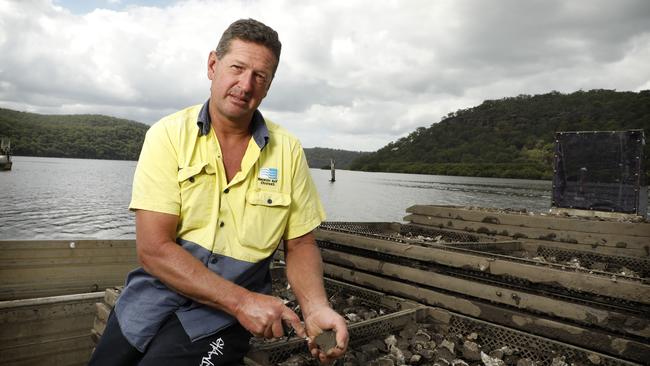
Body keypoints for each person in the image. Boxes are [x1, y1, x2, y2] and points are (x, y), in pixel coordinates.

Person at [89, 18, 349, 366]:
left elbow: (300, 244)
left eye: (260, 76)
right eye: (237, 68)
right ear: (213, 65)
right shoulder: (167, 135)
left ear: (269, 85)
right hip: (153, 297)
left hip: (225, 319)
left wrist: (315, 307)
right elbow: (153, 249)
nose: (245, 85)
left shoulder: (288, 151)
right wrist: (243, 301)